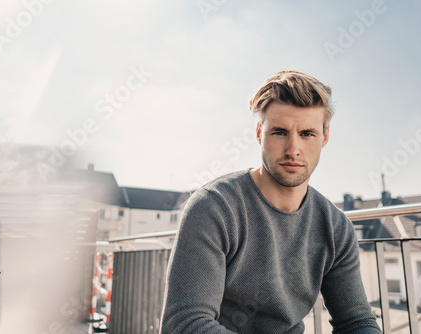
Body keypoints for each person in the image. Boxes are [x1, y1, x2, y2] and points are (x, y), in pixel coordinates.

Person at [159, 70, 382, 333]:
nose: (293, 149)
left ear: (324, 137)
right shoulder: (214, 207)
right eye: (279, 132)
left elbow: (356, 321)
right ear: (259, 133)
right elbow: (185, 324)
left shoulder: (335, 228)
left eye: (307, 134)